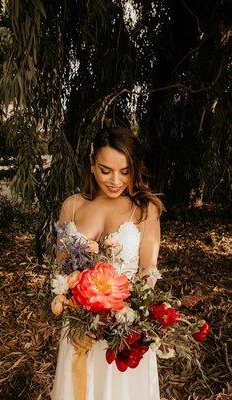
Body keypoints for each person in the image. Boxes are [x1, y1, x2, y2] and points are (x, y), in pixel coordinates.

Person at [51, 126, 165, 400]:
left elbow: (148, 273)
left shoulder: (145, 209)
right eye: (105, 170)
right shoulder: (73, 205)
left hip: (123, 333)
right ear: (92, 166)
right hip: (80, 330)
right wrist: (75, 313)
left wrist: (123, 317)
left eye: (124, 171)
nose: (115, 180)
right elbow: (60, 269)